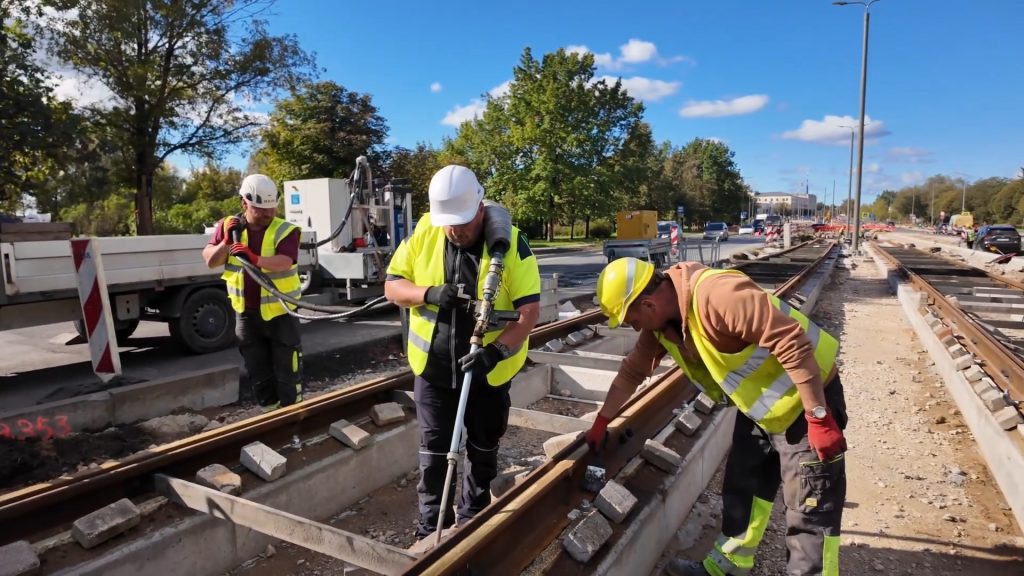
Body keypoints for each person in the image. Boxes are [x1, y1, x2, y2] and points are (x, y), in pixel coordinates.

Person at [587, 258, 848, 576]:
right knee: (743, 487)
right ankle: (728, 567)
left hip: (810, 401)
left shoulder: (719, 296)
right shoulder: (665, 326)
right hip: (761, 407)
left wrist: (819, 418)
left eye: (632, 319)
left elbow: (793, 344)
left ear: (649, 303)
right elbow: (633, 371)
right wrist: (603, 419)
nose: (635, 327)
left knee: (809, 507)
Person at [384, 165, 541, 539]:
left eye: (463, 222)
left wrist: (497, 351)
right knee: (434, 450)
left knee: (482, 445)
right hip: (434, 369)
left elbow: (529, 313)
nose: (456, 230)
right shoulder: (426, 232)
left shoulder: (512, 245)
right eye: (449, 224)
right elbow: (392, 287)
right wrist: (428, 293)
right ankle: (428, 528)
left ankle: (472, 517)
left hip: (487, 372)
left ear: (480, 208)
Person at [202, 174, 303, 411]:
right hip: (246, 314)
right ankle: (269, 416)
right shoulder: (228, 226)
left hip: (281, 312)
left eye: (271, 207)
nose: (268, 214)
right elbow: (210, 261)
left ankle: (294, 416)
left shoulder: (285, 229)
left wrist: (254, 259)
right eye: (261, 209)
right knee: (258, 372)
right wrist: (226, 242)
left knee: (287, 371)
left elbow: (284, 262)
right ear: (244, 203)